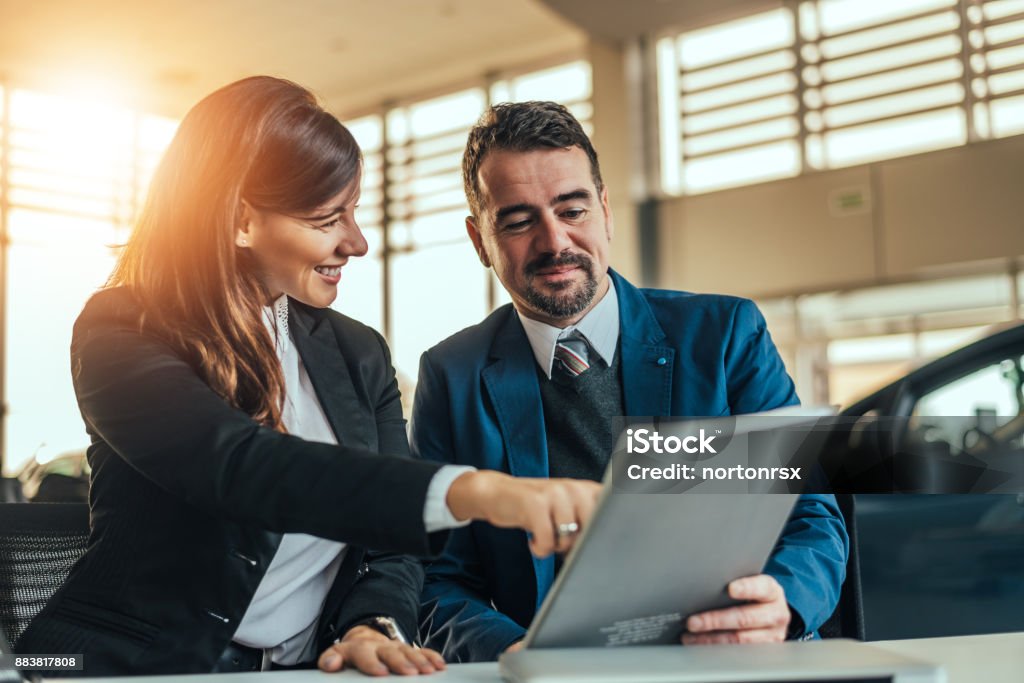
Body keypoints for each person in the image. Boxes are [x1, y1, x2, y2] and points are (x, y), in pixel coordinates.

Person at [14, 79, 600, 677]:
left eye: (353, 211)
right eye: (328, 218)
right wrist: (478, 491)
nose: (358, 241)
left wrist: (371, 623)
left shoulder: (357, 351)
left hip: (303, 671)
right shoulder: (120, 329)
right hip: (124, 666)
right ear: (241, 220)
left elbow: (390, 546)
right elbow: (246, 466)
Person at [411, 101, 850, 662]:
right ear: (479, 242)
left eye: (573, 210)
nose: (555, 243)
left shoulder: (723, 337)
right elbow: (436, 578)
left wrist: (782, 603)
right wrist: (516, 653)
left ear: (607, 212)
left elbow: (809, 514)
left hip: (722, 661)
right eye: (519, 221)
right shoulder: (452, 375)